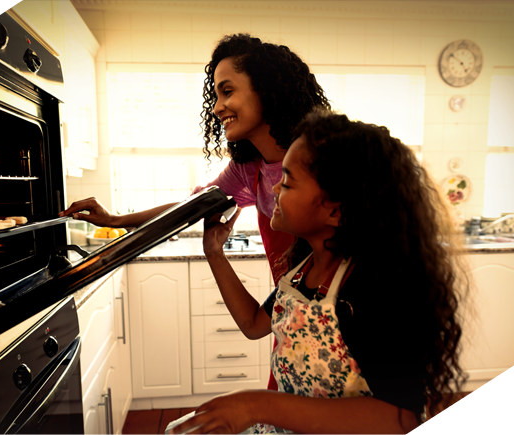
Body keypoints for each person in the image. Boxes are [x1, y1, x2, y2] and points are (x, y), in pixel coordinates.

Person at [168, 108, 467, 435]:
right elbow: (254, 325)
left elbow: (402, 421)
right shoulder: (303, 270)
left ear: (336, 211)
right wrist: (214, 252)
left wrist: (257, 405)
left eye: (288, 182)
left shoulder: (371, 289)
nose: (275, 190)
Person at [59, 33, 329, 286]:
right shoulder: (249, 169)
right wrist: (115, 220)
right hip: (293, 311)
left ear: (265, 90)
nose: (216, 107)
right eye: (216, 95)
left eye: (228, 91)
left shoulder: (327, 157)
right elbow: (190, 209)